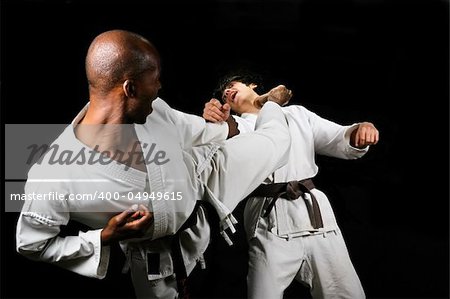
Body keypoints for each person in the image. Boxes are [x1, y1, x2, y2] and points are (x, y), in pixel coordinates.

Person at [15, 30, 292, 299]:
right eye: (155, 78)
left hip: (206, 179)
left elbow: (188, 129)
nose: (159, 87)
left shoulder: (154, 110)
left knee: (278, 140)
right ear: (130, 88)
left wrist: (227, 127)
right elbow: (32, 244)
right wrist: (105, 236)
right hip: (155, 258)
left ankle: (268, 105)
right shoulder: (53, 173)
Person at [203, 69, 379, 299]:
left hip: (316, 218)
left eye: (231, 85)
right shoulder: (237, 125)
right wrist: (218, 118)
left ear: (252, 85)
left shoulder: (297, 114)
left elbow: (339, 137)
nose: (227, 93)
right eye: (224, 95)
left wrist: (360, 130)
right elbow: (229, 137)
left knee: (345, 293)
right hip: (269, 220)